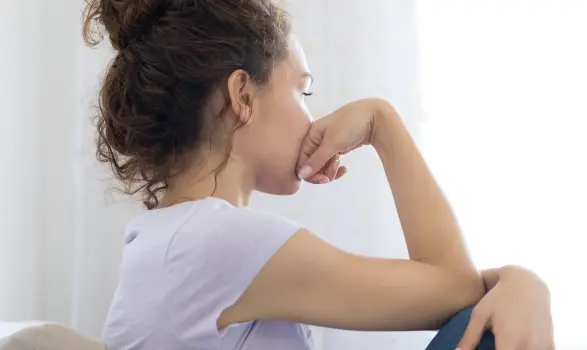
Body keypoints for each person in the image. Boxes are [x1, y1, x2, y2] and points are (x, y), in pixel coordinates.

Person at [82, 1, 553, 349]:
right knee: (488, 333)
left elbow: (450, 286)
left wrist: (519, 280)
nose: (313, 116)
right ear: (242, 96)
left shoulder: (185, 239)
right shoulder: (217, 240)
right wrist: (381, 123)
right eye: (303, 90)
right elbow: (455, 289)